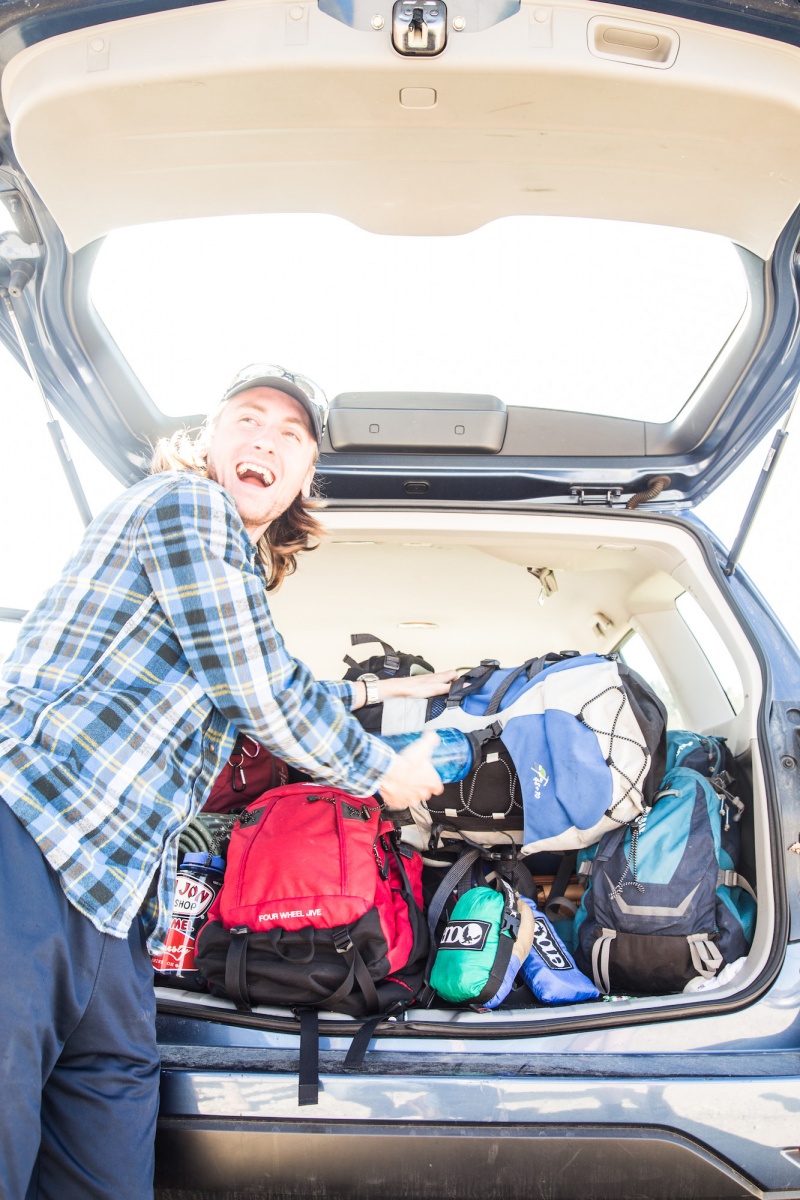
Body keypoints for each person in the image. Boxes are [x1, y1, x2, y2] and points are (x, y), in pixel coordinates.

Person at [0, 363, 454, 1200]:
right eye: (247, 420)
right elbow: (255, 685)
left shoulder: (225, 570)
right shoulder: (184, 505)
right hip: (28, 842)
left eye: (291, 436)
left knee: (106, 1163)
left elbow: (253, 673)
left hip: (113, 905)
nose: (265, 441)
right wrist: (385, 770)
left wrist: (375, 693)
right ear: (208, 442)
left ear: (304, 478)